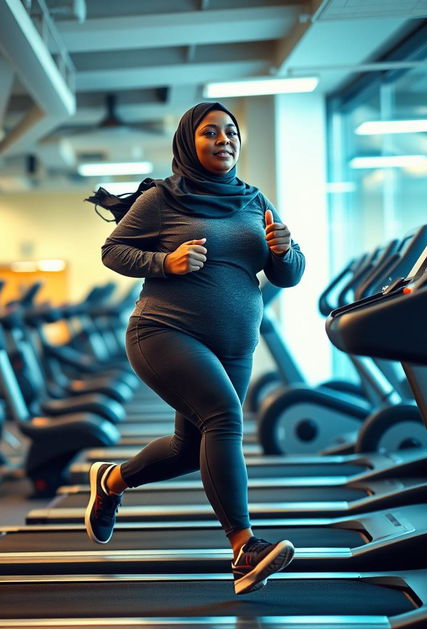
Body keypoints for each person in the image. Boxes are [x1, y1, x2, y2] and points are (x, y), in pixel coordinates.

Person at [85, 102, 305, 595]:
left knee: (190, 450)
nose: (224, 139)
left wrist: (284, 249)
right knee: (225, 417)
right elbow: (113, 251)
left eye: (231, 132)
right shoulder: (163, 199)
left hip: (234, 346)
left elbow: (287, 276)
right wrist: (168, 262)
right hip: (163, 333)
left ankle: (111, 482)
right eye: (211, 132)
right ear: (189, 141)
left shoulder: (254, 200)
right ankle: (243, 546)